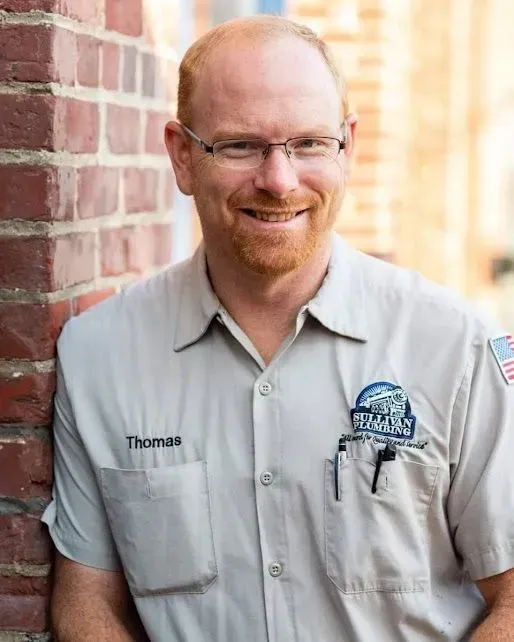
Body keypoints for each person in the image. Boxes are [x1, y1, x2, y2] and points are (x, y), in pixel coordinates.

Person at [42, 14, 514, 642]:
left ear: (348, 145)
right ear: (182, 157)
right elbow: (85, 605)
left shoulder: (455, 347)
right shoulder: (98, 356)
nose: (279, 180)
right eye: (240, 146)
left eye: (309, 144)